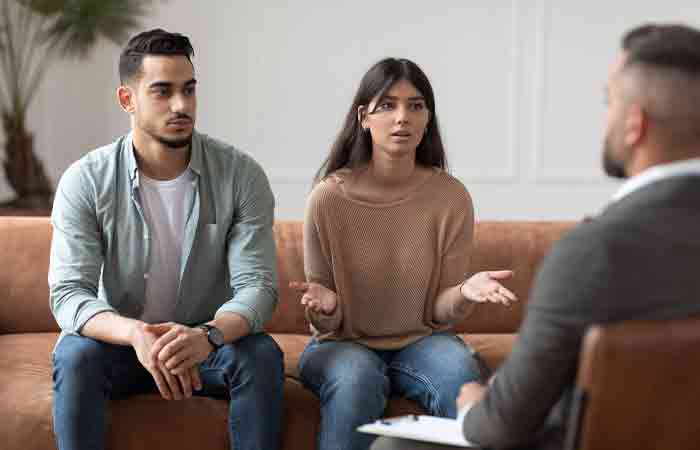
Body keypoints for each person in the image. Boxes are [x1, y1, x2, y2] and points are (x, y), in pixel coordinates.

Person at [371, 23, 700, 450]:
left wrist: (474, 404)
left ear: (635, 124)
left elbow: (501, 427)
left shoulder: (592, 253)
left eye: (609, 102)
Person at [49, 29, 283, 450]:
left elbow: (258, 288)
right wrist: (137, 334)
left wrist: (206, 336)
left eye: (188, 90)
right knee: (75, 357)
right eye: (162, 92)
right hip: (120, 345)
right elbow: (69, 294)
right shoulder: (85, 180)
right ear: (127, 100)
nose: (181, 105)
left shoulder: (240, 175)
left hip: (206, 344)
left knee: (260, 356)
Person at [291, 57, 518, 450]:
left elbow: (437, 312)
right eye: (388, 105)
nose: (402, 118)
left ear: (427, 118)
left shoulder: (450, 197)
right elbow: (324, 320)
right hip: (341, 342)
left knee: (461, 373)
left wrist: (464, 291)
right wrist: (326, 306)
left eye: (415, 106)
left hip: (422, 339)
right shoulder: (327, 198)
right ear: (364, 116)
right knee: (355, 380)